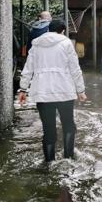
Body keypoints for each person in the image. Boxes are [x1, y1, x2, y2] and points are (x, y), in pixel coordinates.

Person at [18, 19, 87, 161]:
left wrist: (23, 90)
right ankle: (68, 158)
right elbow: (75, 69)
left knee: (48, 130)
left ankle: (49, 163)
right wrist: (81, 90)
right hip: (64, 92)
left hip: (43, 93)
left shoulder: (36, 45)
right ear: (63, 30)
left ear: (48, 29)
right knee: (68, 126)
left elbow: (28, 69)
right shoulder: (66, 43)